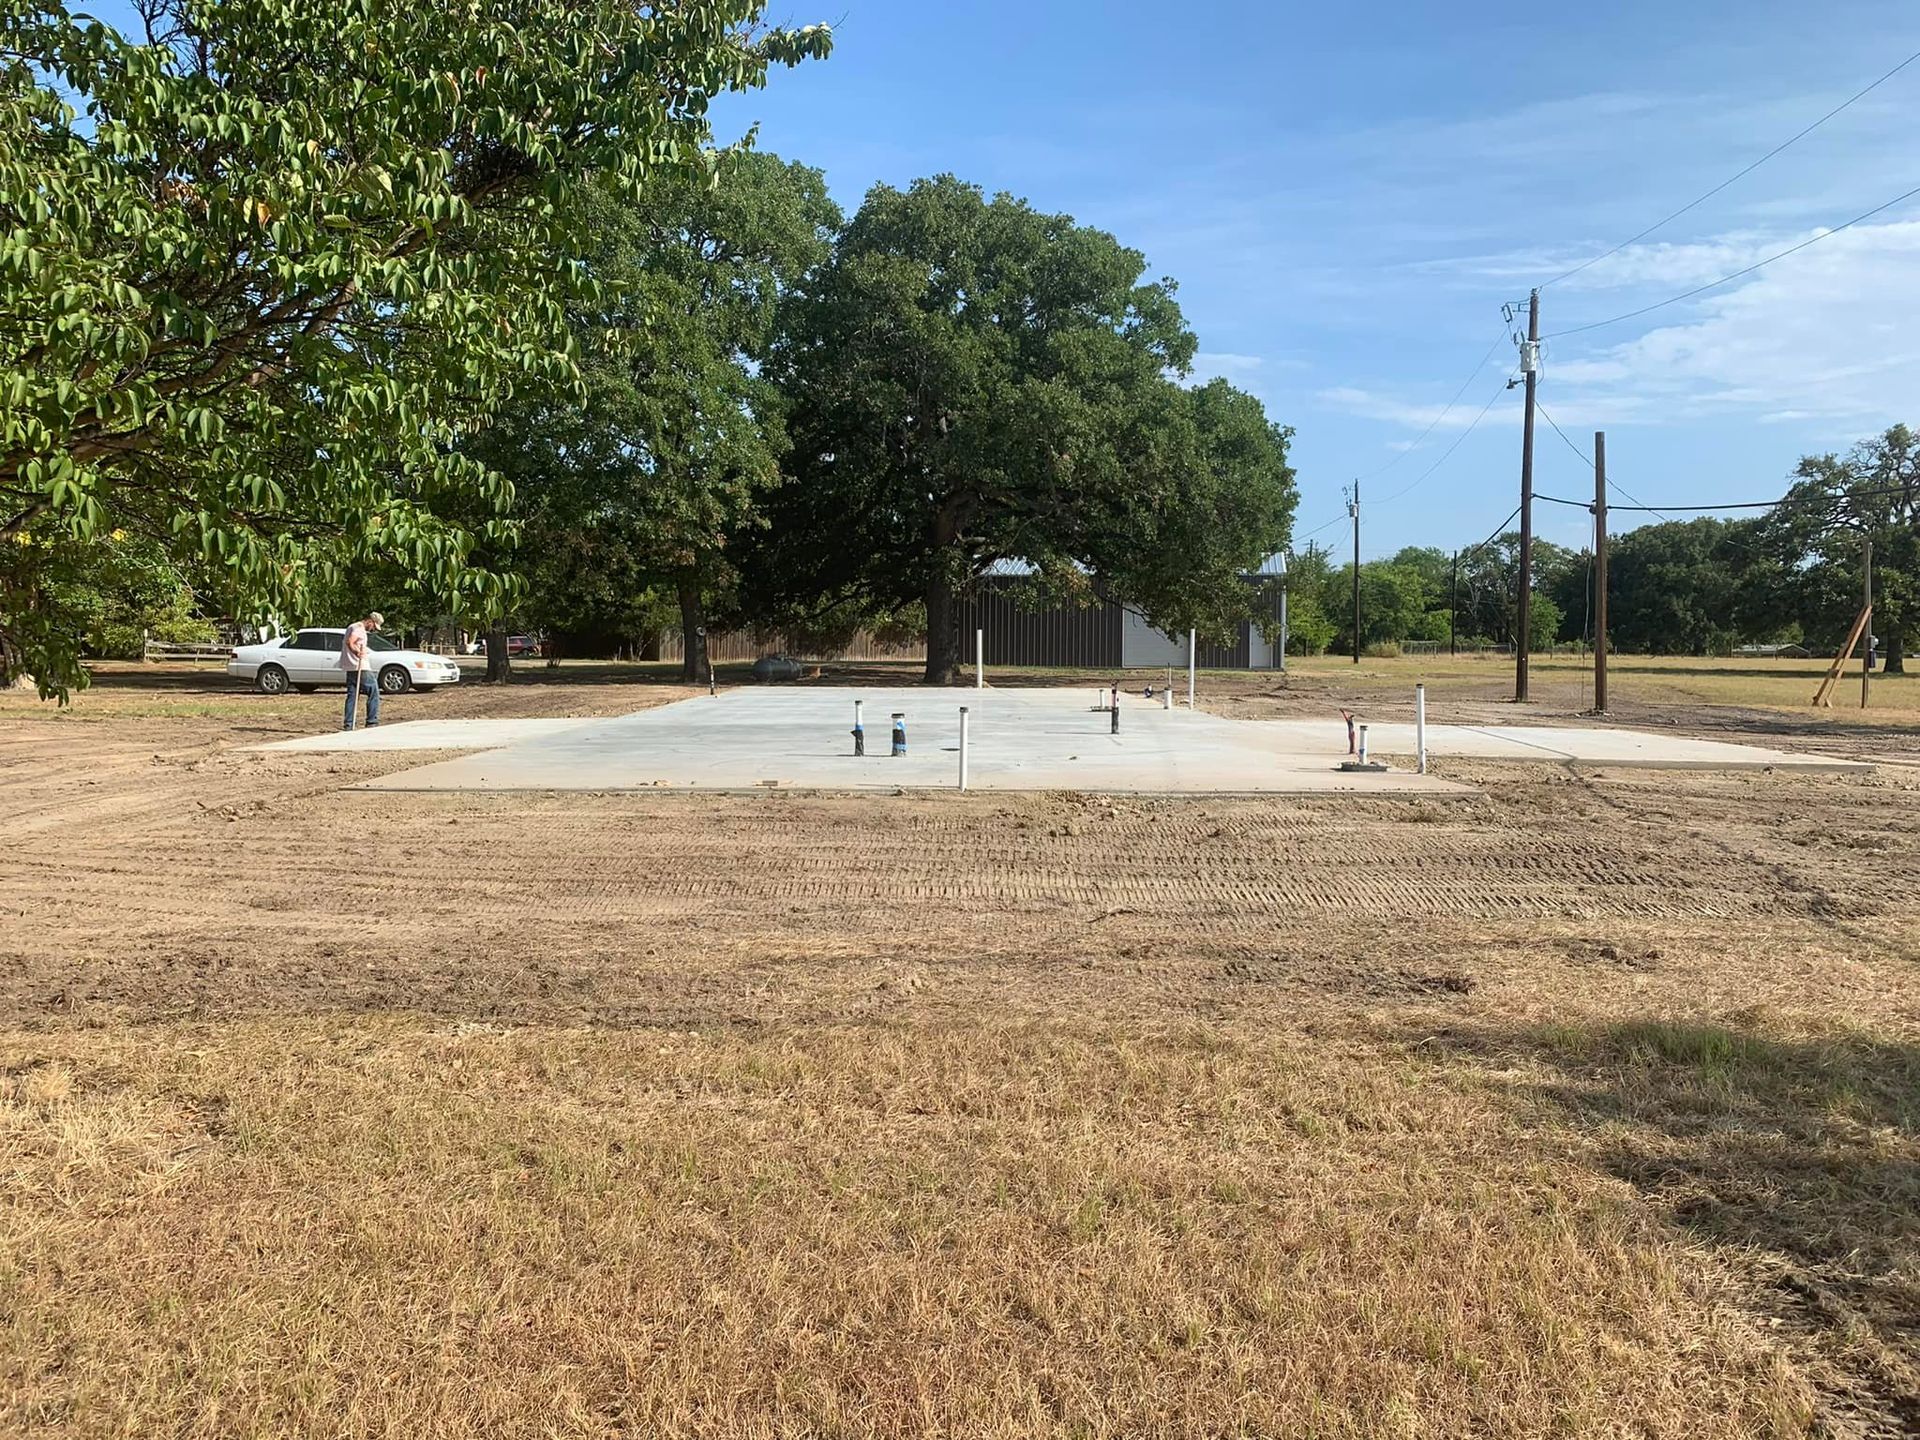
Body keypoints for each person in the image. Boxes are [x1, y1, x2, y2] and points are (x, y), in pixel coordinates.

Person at [339, 611, 383, 731]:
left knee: (352, 695)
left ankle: (349, 723)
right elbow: (350, 641)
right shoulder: (359, 628)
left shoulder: (352, 626)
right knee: (374, 692)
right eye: (374, 626)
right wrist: (357, 652)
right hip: (360, 666)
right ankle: (372, 721)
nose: (373, 629)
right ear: (370, 621)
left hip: (350, 666)